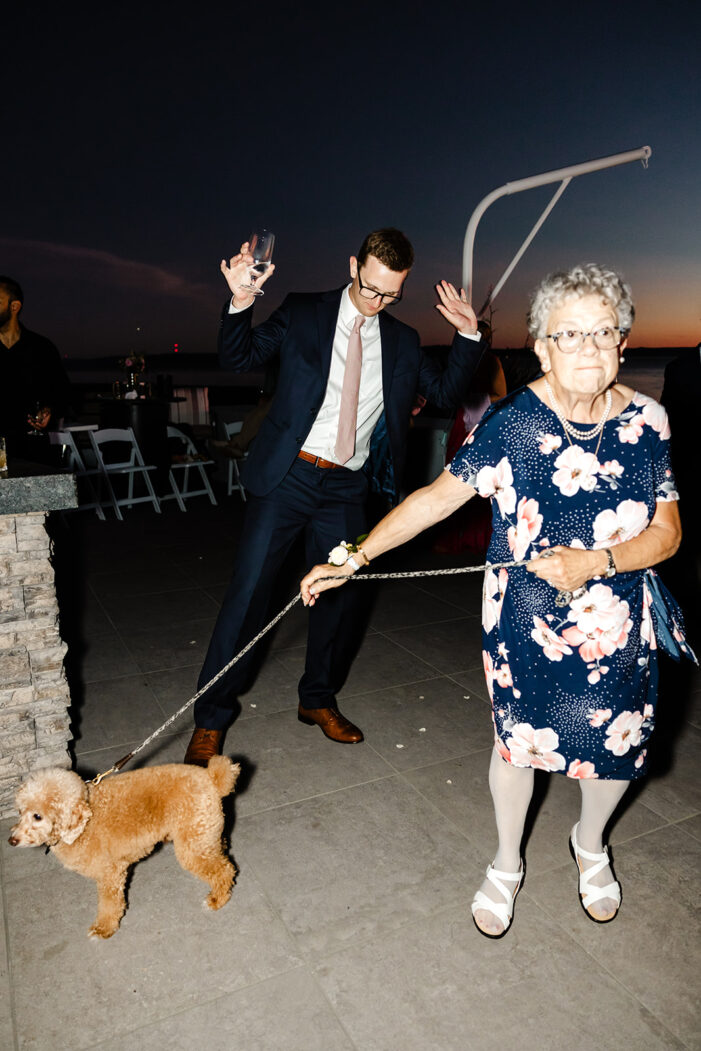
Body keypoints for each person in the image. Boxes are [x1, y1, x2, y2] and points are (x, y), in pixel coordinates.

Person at [303, 263, 689, 938]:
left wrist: (597, 560)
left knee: (616, 744)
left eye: (604, 331)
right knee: (517, 744)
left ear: (624, 342)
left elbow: (667, 532)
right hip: (525, 621)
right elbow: (434, 499)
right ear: (541, 347)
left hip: (616, 622)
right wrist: (354, 556)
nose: (589, 347)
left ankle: (589, 842)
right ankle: (506, 860)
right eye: (569, 335)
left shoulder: (648, 421)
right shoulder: (513, 425)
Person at [183, 228, 486, 766]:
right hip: (287, 477)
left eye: (391, 295)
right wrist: (239, 300)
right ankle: (211, 718)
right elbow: (240, 356)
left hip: (348, 485)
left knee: (338, 601)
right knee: (248, 597)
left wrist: (468, 338)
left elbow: (442, 394)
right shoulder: (304, 312)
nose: (377, 302)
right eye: (371, 289)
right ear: (353, 265)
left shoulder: (403, 340)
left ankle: (316, 700)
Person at [0, 276, 72, 461]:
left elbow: (63, 392)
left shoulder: (41, 348)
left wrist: (50, 410)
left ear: (14, 306)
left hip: (31, 449)